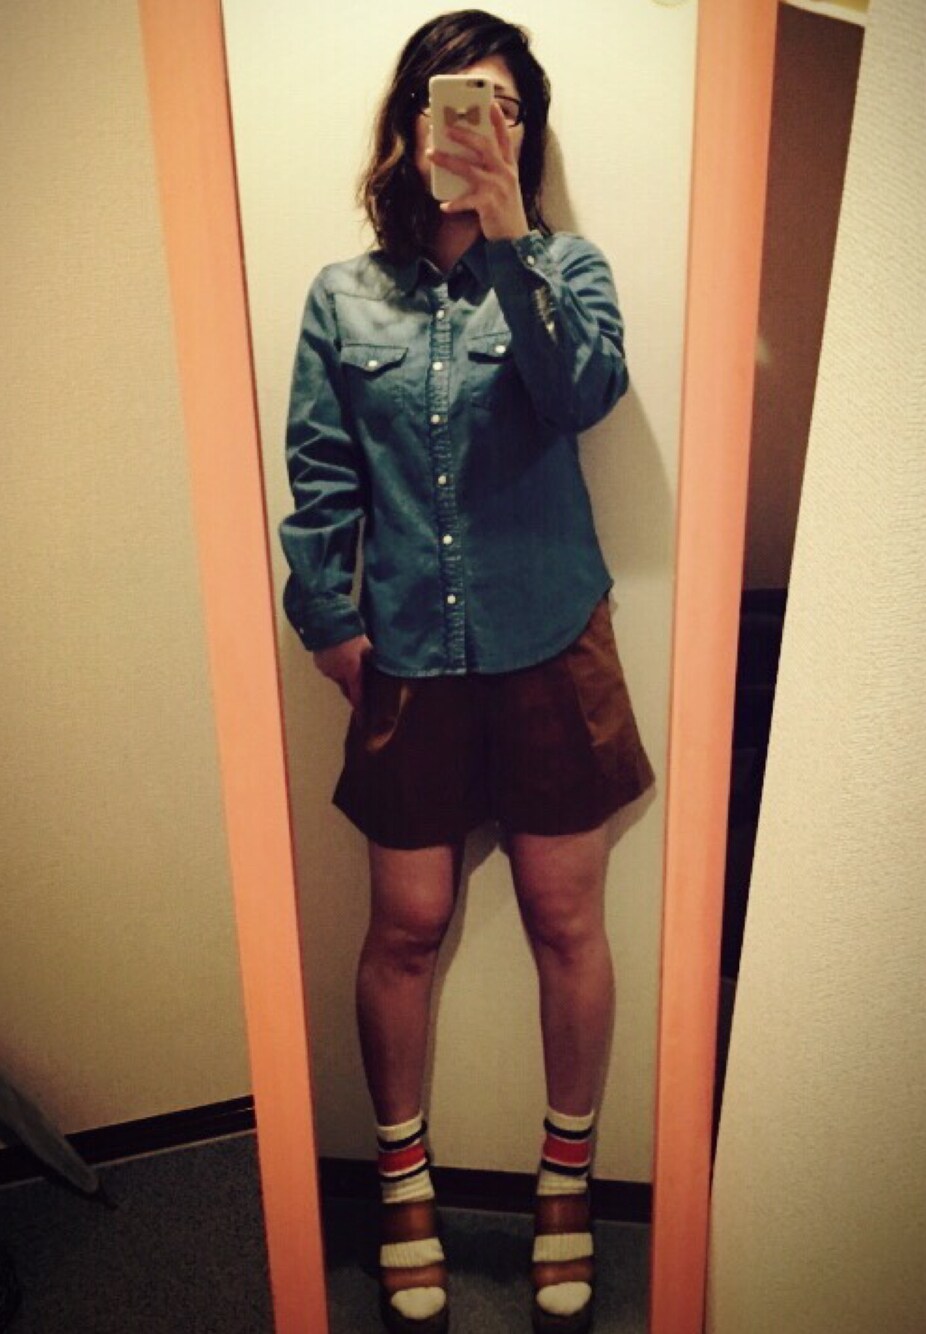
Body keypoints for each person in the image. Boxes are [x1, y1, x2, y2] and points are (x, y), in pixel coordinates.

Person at [279, 10, 654, 1332]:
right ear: (409, 124)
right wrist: (329, 620)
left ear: (524, 132)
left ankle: (565, 1181)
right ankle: (403, 1186)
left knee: (565, 916)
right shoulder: (344, 296)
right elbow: (320, 472)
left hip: (552, 638)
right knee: (406, 921)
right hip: (409, 650)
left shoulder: (568, 270)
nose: (474, 125)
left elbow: (583, 394)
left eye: (501, 105)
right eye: (452, 101)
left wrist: (509, 239)